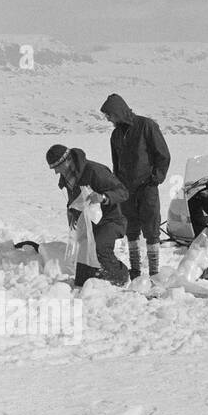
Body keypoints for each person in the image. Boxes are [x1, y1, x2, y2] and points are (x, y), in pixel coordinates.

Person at [100, 94, 171, 281]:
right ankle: (136, 271)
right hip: (126, 189)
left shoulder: (146, 126)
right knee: (131, 229)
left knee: (151, 228)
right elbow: (116, 164)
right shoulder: (115, 135)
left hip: (147, 187)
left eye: (109, 115)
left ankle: (154, 272)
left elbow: (163, 155)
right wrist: (117, 187)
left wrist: (155, 178)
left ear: (118, 112)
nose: (108, 119)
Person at [46, 145, 129, 287]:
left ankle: (121, 277)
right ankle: (95, 279)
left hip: (112, 220)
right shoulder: (68, 178)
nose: (55, 172)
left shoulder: (95, 171)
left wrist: (103, 197)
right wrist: (72, 214)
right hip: (89, 223)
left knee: (99, 246)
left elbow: (123, 192)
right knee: (82, 273)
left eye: (56, 167)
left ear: (66, 161)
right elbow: (77, 201)